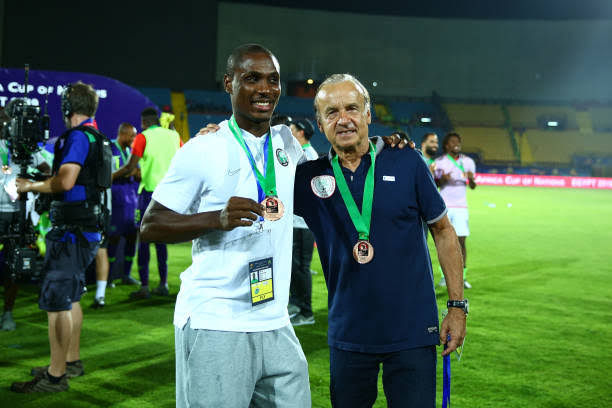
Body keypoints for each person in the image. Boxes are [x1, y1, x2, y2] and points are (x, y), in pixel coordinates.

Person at [139, 44, 310, 407]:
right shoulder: (204, 149)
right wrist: (215, 219)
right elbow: (151, 225)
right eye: (252, 78)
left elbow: (336, 175)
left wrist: (380, 145)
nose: (265, 88)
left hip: (275, 321)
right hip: (217, 320)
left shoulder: (286, 144)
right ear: (229, 83)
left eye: (273, 80)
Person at [294, 74, 467, 407]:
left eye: (352, 108)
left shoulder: (406, 160)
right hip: (349, 334)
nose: (343, 119)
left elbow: (443, 230)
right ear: (319, 122)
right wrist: (217, 136)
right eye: (331, 112)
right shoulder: (308, 178)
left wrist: (457, 308)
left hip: (413, 332)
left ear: (368, 114)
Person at [11, 81, 111, 392]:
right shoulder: (96, 136)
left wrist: (29, 186)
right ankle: (70, 361)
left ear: (68, 108)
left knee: (57, 304)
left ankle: (56, 376)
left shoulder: (79, 137)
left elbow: (65, 182)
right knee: (71, 299)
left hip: (72, 232)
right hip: (86, 229)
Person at [113, 108, 181, 299]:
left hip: (149, 195)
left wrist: (109, 177)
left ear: (143, 122)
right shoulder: (174, 136)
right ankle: (164, 284)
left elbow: (130, 167)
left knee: (144, 239)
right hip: (169, 195)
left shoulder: (143, 137)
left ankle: (144, 287)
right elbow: (184, 159)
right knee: (161, 240)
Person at [0, 107, 50, 330]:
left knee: (15, 263)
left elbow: (46, 170)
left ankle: (7, 314)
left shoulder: (23, 146)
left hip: (17, 214)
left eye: (6, 120)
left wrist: (31, 183)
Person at [434, 132, 477, 289]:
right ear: (446, 145)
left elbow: (472, 186)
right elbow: (434, 185)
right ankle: (445, 277)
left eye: (458, 141)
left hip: (461, 207)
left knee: (461, 242)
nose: (456, 144)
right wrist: (441, 180)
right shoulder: (439, 162)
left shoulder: (468, 162)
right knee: (443, 243)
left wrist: (471, 179)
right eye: (453, 141)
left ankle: (463, 277)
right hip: (443, 206)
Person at [288, 118, 318, 326]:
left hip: (303, 223)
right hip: (296, 221)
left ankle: (306, 312)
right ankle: (296, 303)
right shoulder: (303, 152)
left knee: (301, 268)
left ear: (300, 133)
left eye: (292, 130)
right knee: (294, 266)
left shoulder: (309, 155)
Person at [108, 123, 139, 286]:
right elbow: (109, 176)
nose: (134, 140)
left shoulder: (130, 152)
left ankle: (126, 275)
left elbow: (137, 172)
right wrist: (127, 170)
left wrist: (130, 170)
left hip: (131, 202)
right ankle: (109, 277)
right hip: (116, 201)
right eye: (132, 136)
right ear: (124, 134)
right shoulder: (110, 149)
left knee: (132, 238)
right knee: (113, 239)